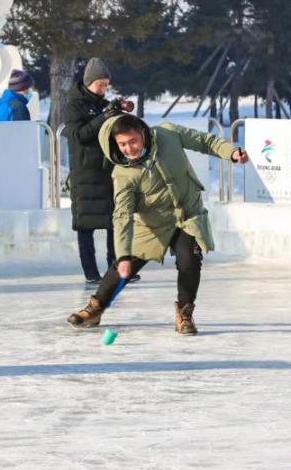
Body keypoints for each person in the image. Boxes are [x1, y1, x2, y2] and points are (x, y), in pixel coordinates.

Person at [67, 114, 248, 334]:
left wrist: (231, 153)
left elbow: (204, 141)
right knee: (123, 266)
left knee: (189, 260)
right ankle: (95, 308)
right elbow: (122, 215)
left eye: (133, 141)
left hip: (188, 215)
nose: (129, 148)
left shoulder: (168, 134)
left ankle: (184, 313)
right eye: (122, 144)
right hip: (152, 224)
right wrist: (123, 256)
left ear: (143, 133)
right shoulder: (124, 173)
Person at [62, 57, 135, 284]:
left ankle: (117, 268)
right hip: (84, 173)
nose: (103, 89)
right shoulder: (74, 104)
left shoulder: (101, 104)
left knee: (115, 221)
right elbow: (79, 135)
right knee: (85, 226)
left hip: (106, 171)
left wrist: (120, 110)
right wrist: (105, 115)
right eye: (99, 85)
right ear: (88, 83)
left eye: (106, 85)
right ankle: (91, 273)